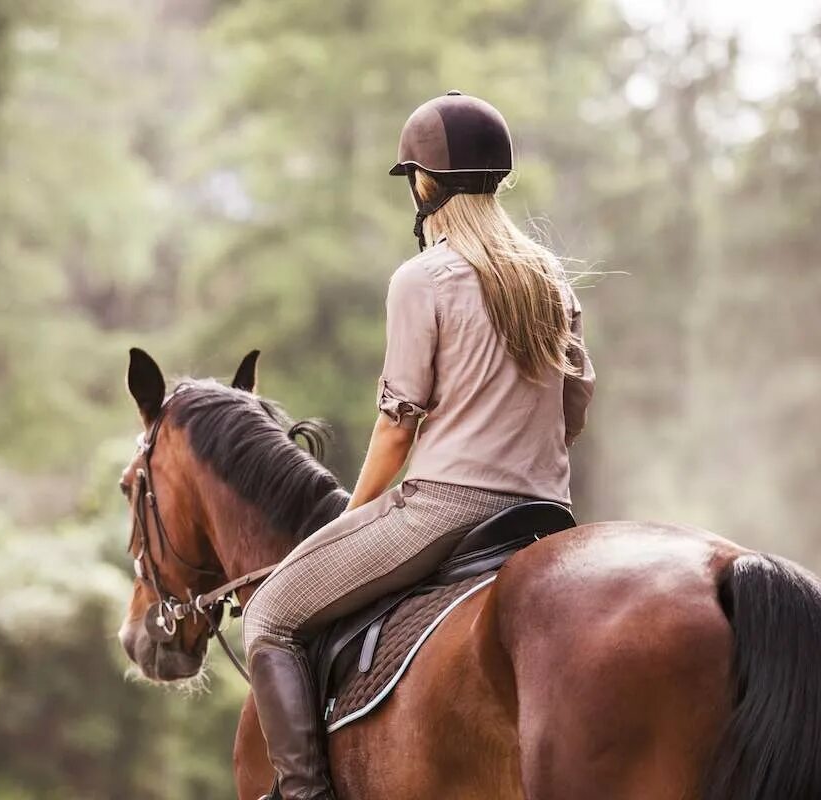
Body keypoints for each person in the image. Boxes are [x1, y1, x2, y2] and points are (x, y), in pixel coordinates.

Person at [241, 90, 596, 800]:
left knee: (268, 616)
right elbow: (574, 407)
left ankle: (305, 794)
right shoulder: (548, 279)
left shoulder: (422, 278)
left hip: (444, 510)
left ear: (423, 183)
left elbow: (397, 424)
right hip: (545, 510)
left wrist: (352, 518)